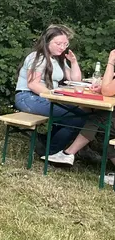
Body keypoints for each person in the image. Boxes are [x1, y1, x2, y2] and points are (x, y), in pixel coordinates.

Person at [13, 25, 88, 165]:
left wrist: (73, 61)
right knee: (75, 118)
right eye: (58, 44)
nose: (62, 47)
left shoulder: (58, 59)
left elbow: (76, 80)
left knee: (77, 115)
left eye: (65, 44)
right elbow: (33, 84)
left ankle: (46, 145)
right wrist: (55, 95)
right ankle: (51, 152)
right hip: (28, 97)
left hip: (44, 98)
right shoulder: (37, 57)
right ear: (47, 42)